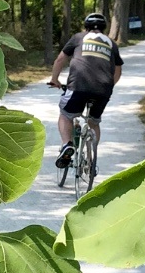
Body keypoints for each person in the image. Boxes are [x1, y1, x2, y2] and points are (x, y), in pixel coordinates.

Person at [48, 12, 123, 168]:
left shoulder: (78, 38)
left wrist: (54, 80)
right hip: (103, 90)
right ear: (104, 27)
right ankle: (91, 159)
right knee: (93, 121)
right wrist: (109, 85)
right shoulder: (111, 44)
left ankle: (66, 145)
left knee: (66, 115)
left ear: (86, 26)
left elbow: (60, 59)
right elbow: (118, 70)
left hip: (78, 86)